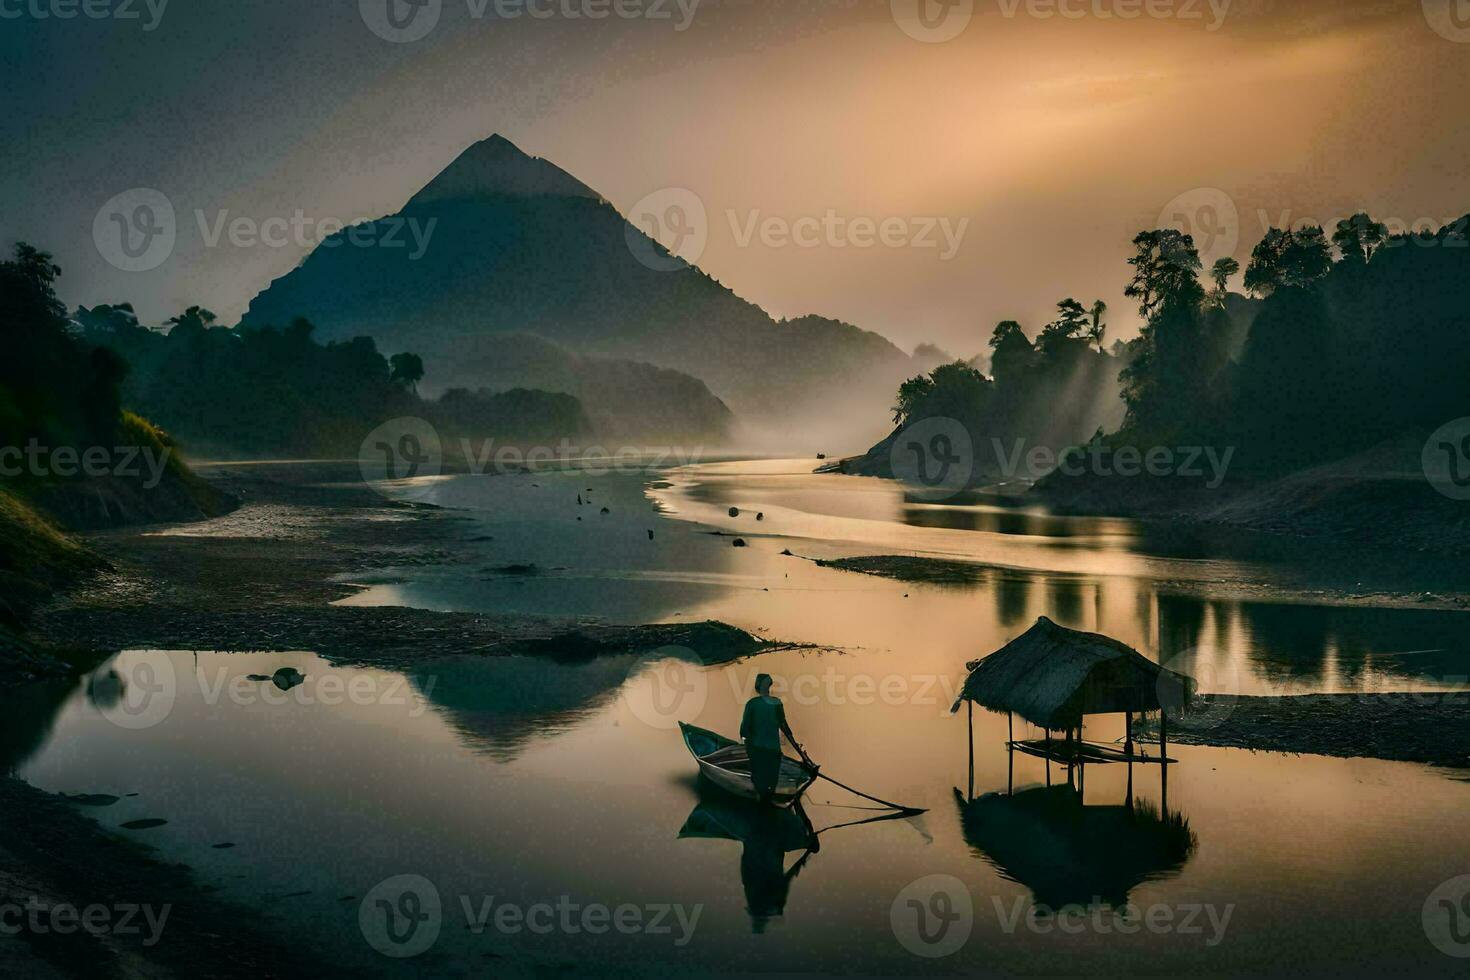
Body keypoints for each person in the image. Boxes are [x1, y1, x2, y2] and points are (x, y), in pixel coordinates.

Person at [740, 673, 800, 803]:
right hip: (773, 750)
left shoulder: (752, 704)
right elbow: (784, 725)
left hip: (758, 750)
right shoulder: (776, 703)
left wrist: (746, 746)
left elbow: (744, 729)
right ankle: (768, 802)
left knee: (759, 781)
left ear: (757, 687)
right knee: (771, 782)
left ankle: (762, 804)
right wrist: (794, 744)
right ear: (769, 686)